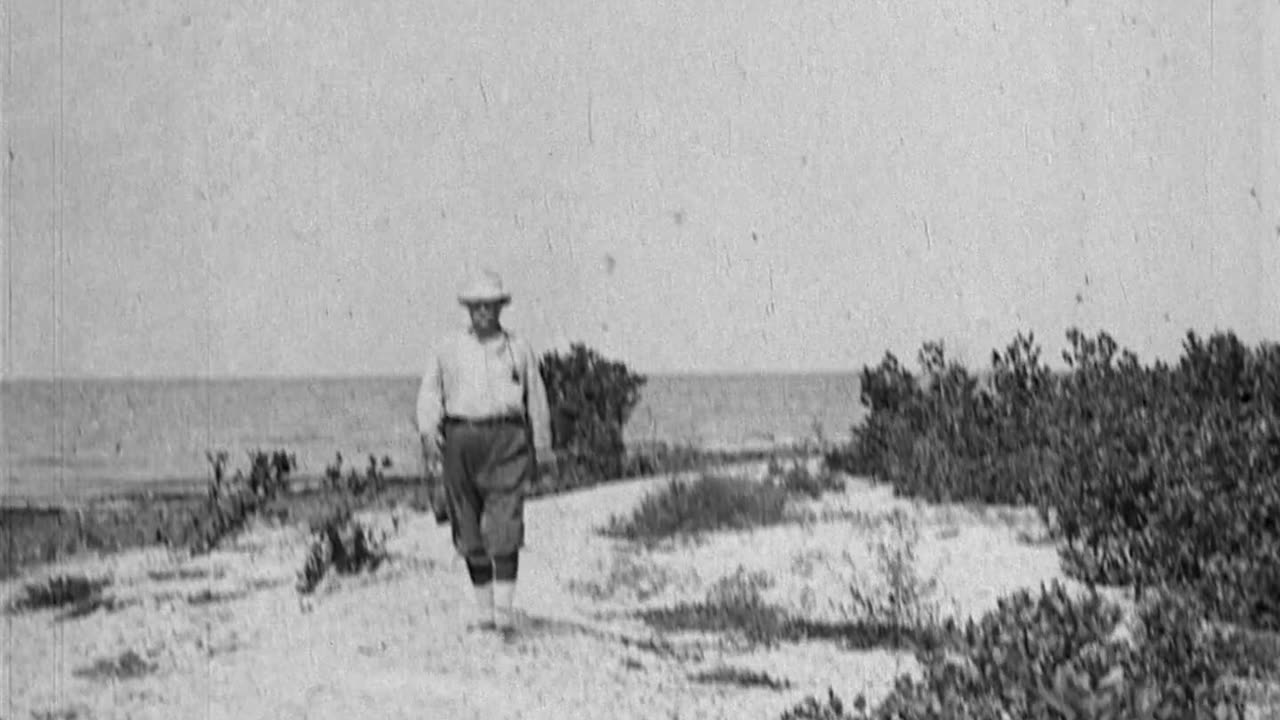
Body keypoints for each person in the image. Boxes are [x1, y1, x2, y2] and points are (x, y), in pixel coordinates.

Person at [415, 270, 555, 639]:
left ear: (500, 308)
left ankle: (505, 614)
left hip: (507, 439)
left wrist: (542, 447)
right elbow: (430, 392)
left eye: (490, 307)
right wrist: (429, 432)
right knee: (467, 523)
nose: (483, 314)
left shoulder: (519, 348)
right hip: (461, 438)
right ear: (468, 310)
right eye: (476, 307)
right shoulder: (447, 348)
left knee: (506, 523)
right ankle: (484, 613)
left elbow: (536, 400)